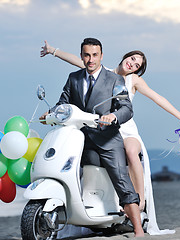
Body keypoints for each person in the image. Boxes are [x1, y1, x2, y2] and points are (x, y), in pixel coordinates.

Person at [40, 40, 180, 235]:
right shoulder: (97, 70)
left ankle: (140, 202)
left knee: (128, 152)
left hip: (123, 128)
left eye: (137, 65)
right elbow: (74, 63)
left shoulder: (129, 80)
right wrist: (53, 51)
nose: (133, 64)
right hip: (94, 128)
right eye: (132, 59)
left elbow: (156, 98)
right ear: (125, 56)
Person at [39, 38, 145, 237]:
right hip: (80, 137)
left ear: (101, 56)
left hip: (108, 140)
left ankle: (138, 229)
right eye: (86, 55)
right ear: (81, 56)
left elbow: (126, 108)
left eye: (95, 55)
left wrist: (113, 116)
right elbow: (64, 101)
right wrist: (51, 112)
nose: (90, 59)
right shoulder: (74, 78)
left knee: (121, 179)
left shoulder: (114, 80)